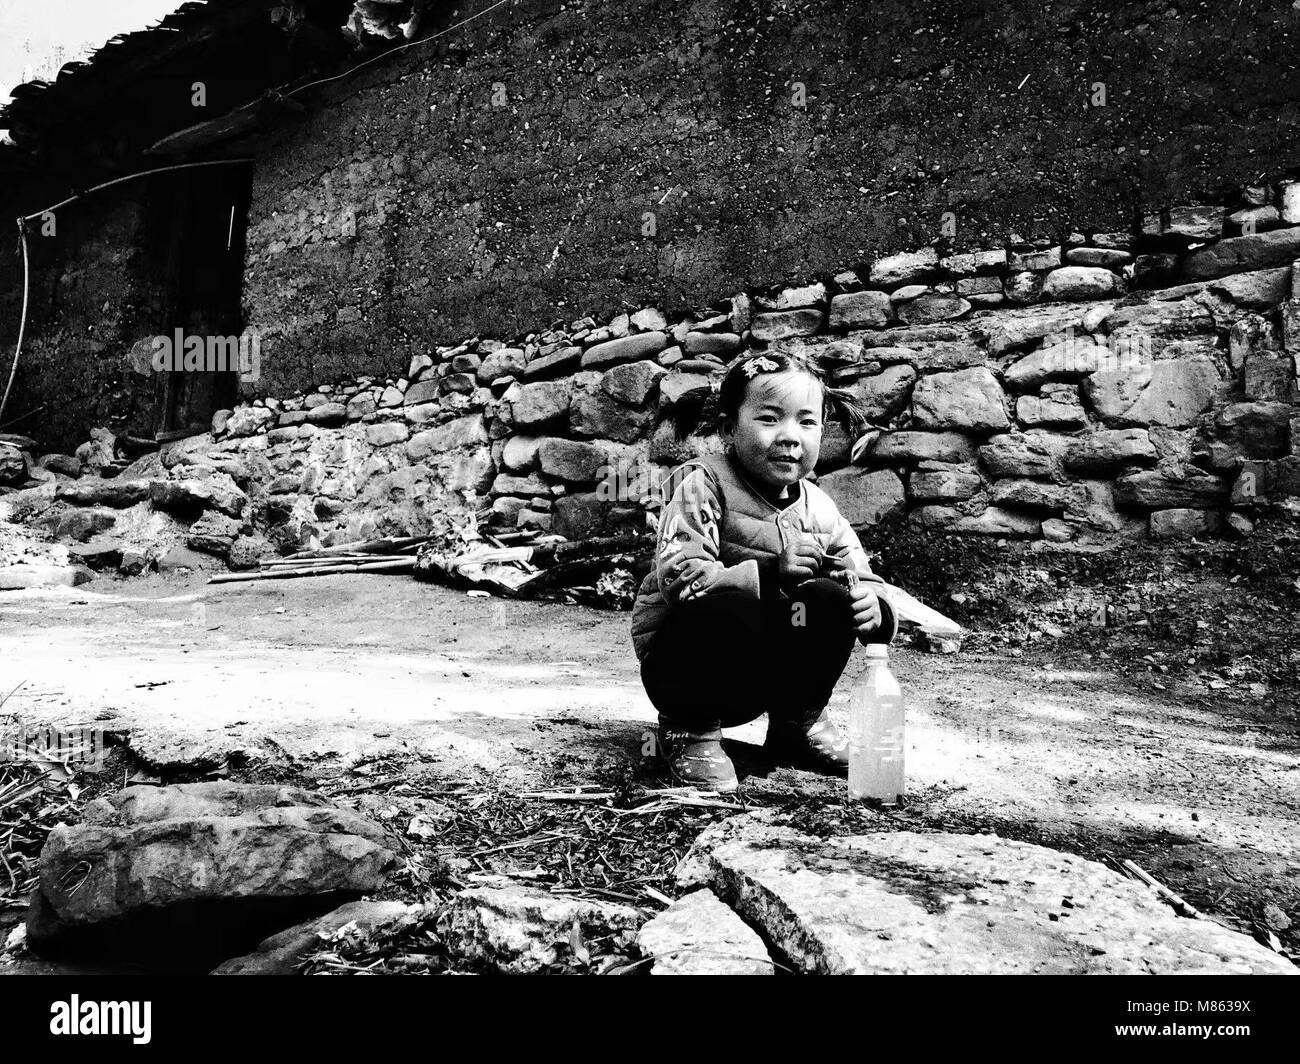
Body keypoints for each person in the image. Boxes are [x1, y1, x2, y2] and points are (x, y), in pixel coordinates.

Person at [630, 349, 899, 793]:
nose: (790, 437)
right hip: (686, 665)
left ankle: (797, 724)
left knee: (832, 597)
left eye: (807, 422)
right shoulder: (701, 483)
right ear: (728, 429)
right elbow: (683, 580)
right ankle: (689, 731)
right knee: (729, 599)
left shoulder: (819, 507)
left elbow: (863, 574)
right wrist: (772, 572)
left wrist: (876, 609)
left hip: (763, 675)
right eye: (770, 419)